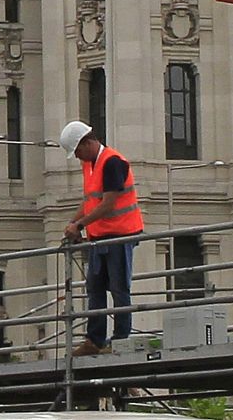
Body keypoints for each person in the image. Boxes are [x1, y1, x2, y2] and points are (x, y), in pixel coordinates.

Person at [58, 120, 144, 357]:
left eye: (77, 151)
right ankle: (94, 340)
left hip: (120, 235)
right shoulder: (91, 164)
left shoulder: (113, 162)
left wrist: (79, 225)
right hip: (100, 236)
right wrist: (73, 223)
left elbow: (108, 203)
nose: (77, 157)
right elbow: (90, 201)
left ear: (87, 143)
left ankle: (119, 340)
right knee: (94, 287)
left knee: (118, 288)